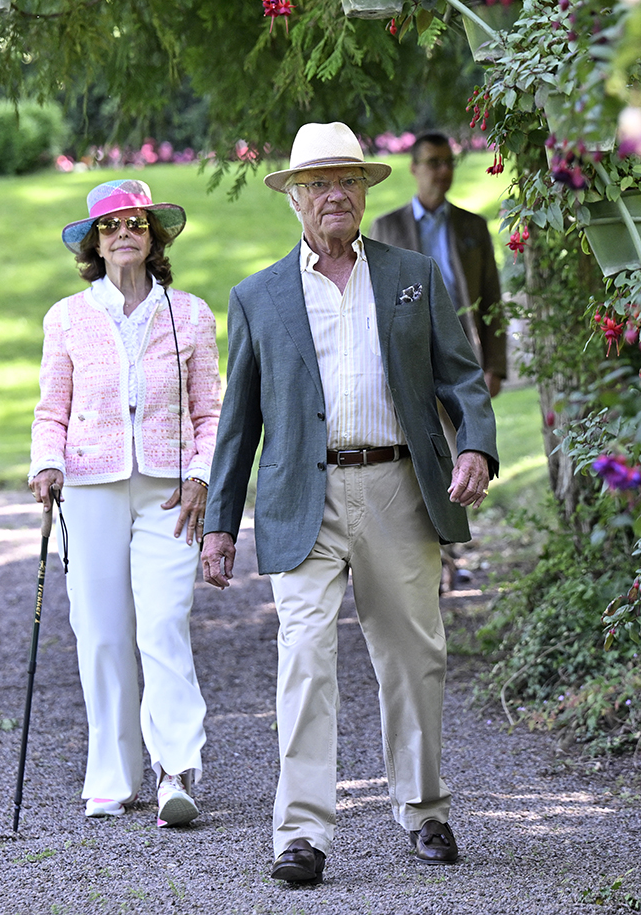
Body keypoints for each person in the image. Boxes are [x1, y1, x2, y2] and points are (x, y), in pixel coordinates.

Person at [201, 122, 498, 882]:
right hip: (303, 495)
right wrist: (219, 524)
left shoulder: (412, 274)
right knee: (303, 657)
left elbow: (461, 376)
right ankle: (300, 833)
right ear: (295, 198)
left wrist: (474, 443)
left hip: (400, 485)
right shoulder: (258, 296)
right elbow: (238, 424)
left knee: (413, 657)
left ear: (366, 191)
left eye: (348, 181)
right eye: (319, 183)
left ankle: (425, 809)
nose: (335, 194)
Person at [28, 179, 221, 827]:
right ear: (94, 243)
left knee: (163, 621)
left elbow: (210, 411)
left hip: (169, 491)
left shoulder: (189, 313)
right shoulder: (67, 317)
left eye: (135, 222)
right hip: (89, 487)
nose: (123, 233)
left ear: (154, 234)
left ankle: (175, 769)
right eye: (109, 226)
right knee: (103, 633)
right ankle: (111, 775)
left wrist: (201, 474)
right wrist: (46, 463)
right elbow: (51, 409)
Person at [368, 131, 506, 398]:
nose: (444, 170)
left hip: (463, 355)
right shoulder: (386, 228)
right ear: (414, 168)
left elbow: (492, 296)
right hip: (407, 361)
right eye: (434, 162)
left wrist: (495, 367)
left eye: (449, 162)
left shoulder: (473, 227)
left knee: (468, 440)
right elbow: (371, 302)